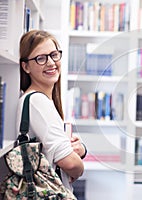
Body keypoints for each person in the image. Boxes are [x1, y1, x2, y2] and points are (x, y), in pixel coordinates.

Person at [17, 30, 85, 191]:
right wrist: (79, 167)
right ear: (26, 66)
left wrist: (80, 150)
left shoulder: (41, 100)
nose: (51, 63)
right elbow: (70, 163)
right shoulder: (38, 101)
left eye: (54, 55)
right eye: (41, 58)